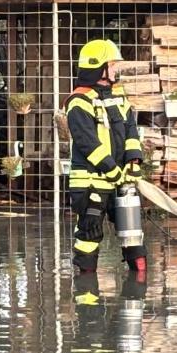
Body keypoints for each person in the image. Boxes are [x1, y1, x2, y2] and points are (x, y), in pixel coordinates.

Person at [65, 39, 148, 277]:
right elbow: (88, 142)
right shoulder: (79, 101)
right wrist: (112, 170)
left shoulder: (119, 97)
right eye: (111, 65)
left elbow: (131, 131)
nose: (115, 70)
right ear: (98, 68)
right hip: (90, 184)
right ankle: (86, 299)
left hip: (121, 181)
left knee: (132, 233)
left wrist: (133, 163)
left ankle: (138, 289)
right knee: (89, 235)